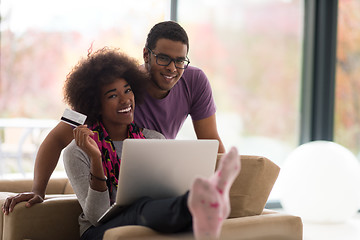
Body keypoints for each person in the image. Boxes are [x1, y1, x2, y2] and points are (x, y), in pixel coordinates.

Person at [2, 20, 225, 214]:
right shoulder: (119, 87)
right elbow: (56, 138)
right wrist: (38, 191)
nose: (172, 68)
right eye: (164, 59)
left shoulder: (195, 81)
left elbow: (211, 141)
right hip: (109, 185)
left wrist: (228, 188)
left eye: (180, 61)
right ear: (146, 54)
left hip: (151, 180)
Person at [59, 48, 239, 239]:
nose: (125, 100)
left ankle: (200, 208)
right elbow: (97, 217)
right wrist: (96, 159)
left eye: (128, 90)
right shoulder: (77, 151)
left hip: (148, 217)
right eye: (113, 95)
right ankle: (198, 202)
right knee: (140, 208)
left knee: (149, 207)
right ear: (95, 105)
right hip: (96, 232)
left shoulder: (154, 139)